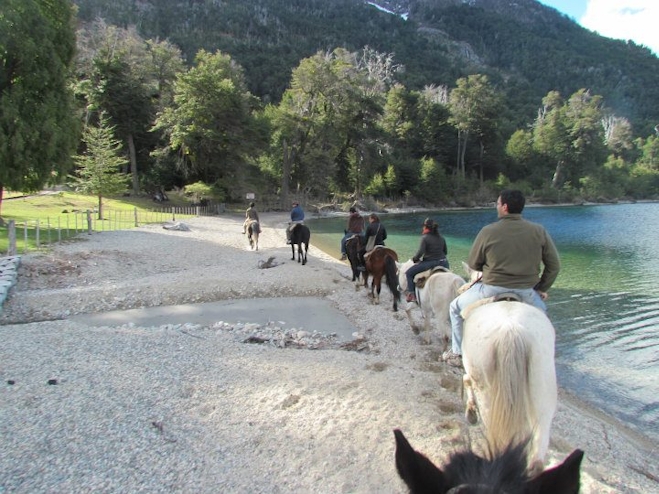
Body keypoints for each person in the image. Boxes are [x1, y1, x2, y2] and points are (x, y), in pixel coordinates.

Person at [445, 189, 560, 366]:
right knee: (545, 322)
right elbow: (554, 266)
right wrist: (541, 288)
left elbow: (474, 263)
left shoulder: (488, 231)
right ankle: (545, 361)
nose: (496, 207)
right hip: (526, 292)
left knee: (454, 308)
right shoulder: (539, 231)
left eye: (497, 204)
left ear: (505, 207)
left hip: (491, 288)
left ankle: (457, 353)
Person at [404, 218, 450, 303]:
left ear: (426, 227)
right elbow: (445, 252)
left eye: (423, 226)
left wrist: (415, 259)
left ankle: (412, 295)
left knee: (409, 273)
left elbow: (420, 252)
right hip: (444, 262)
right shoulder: (441, 238)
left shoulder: (425, 238)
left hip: (430, 263)